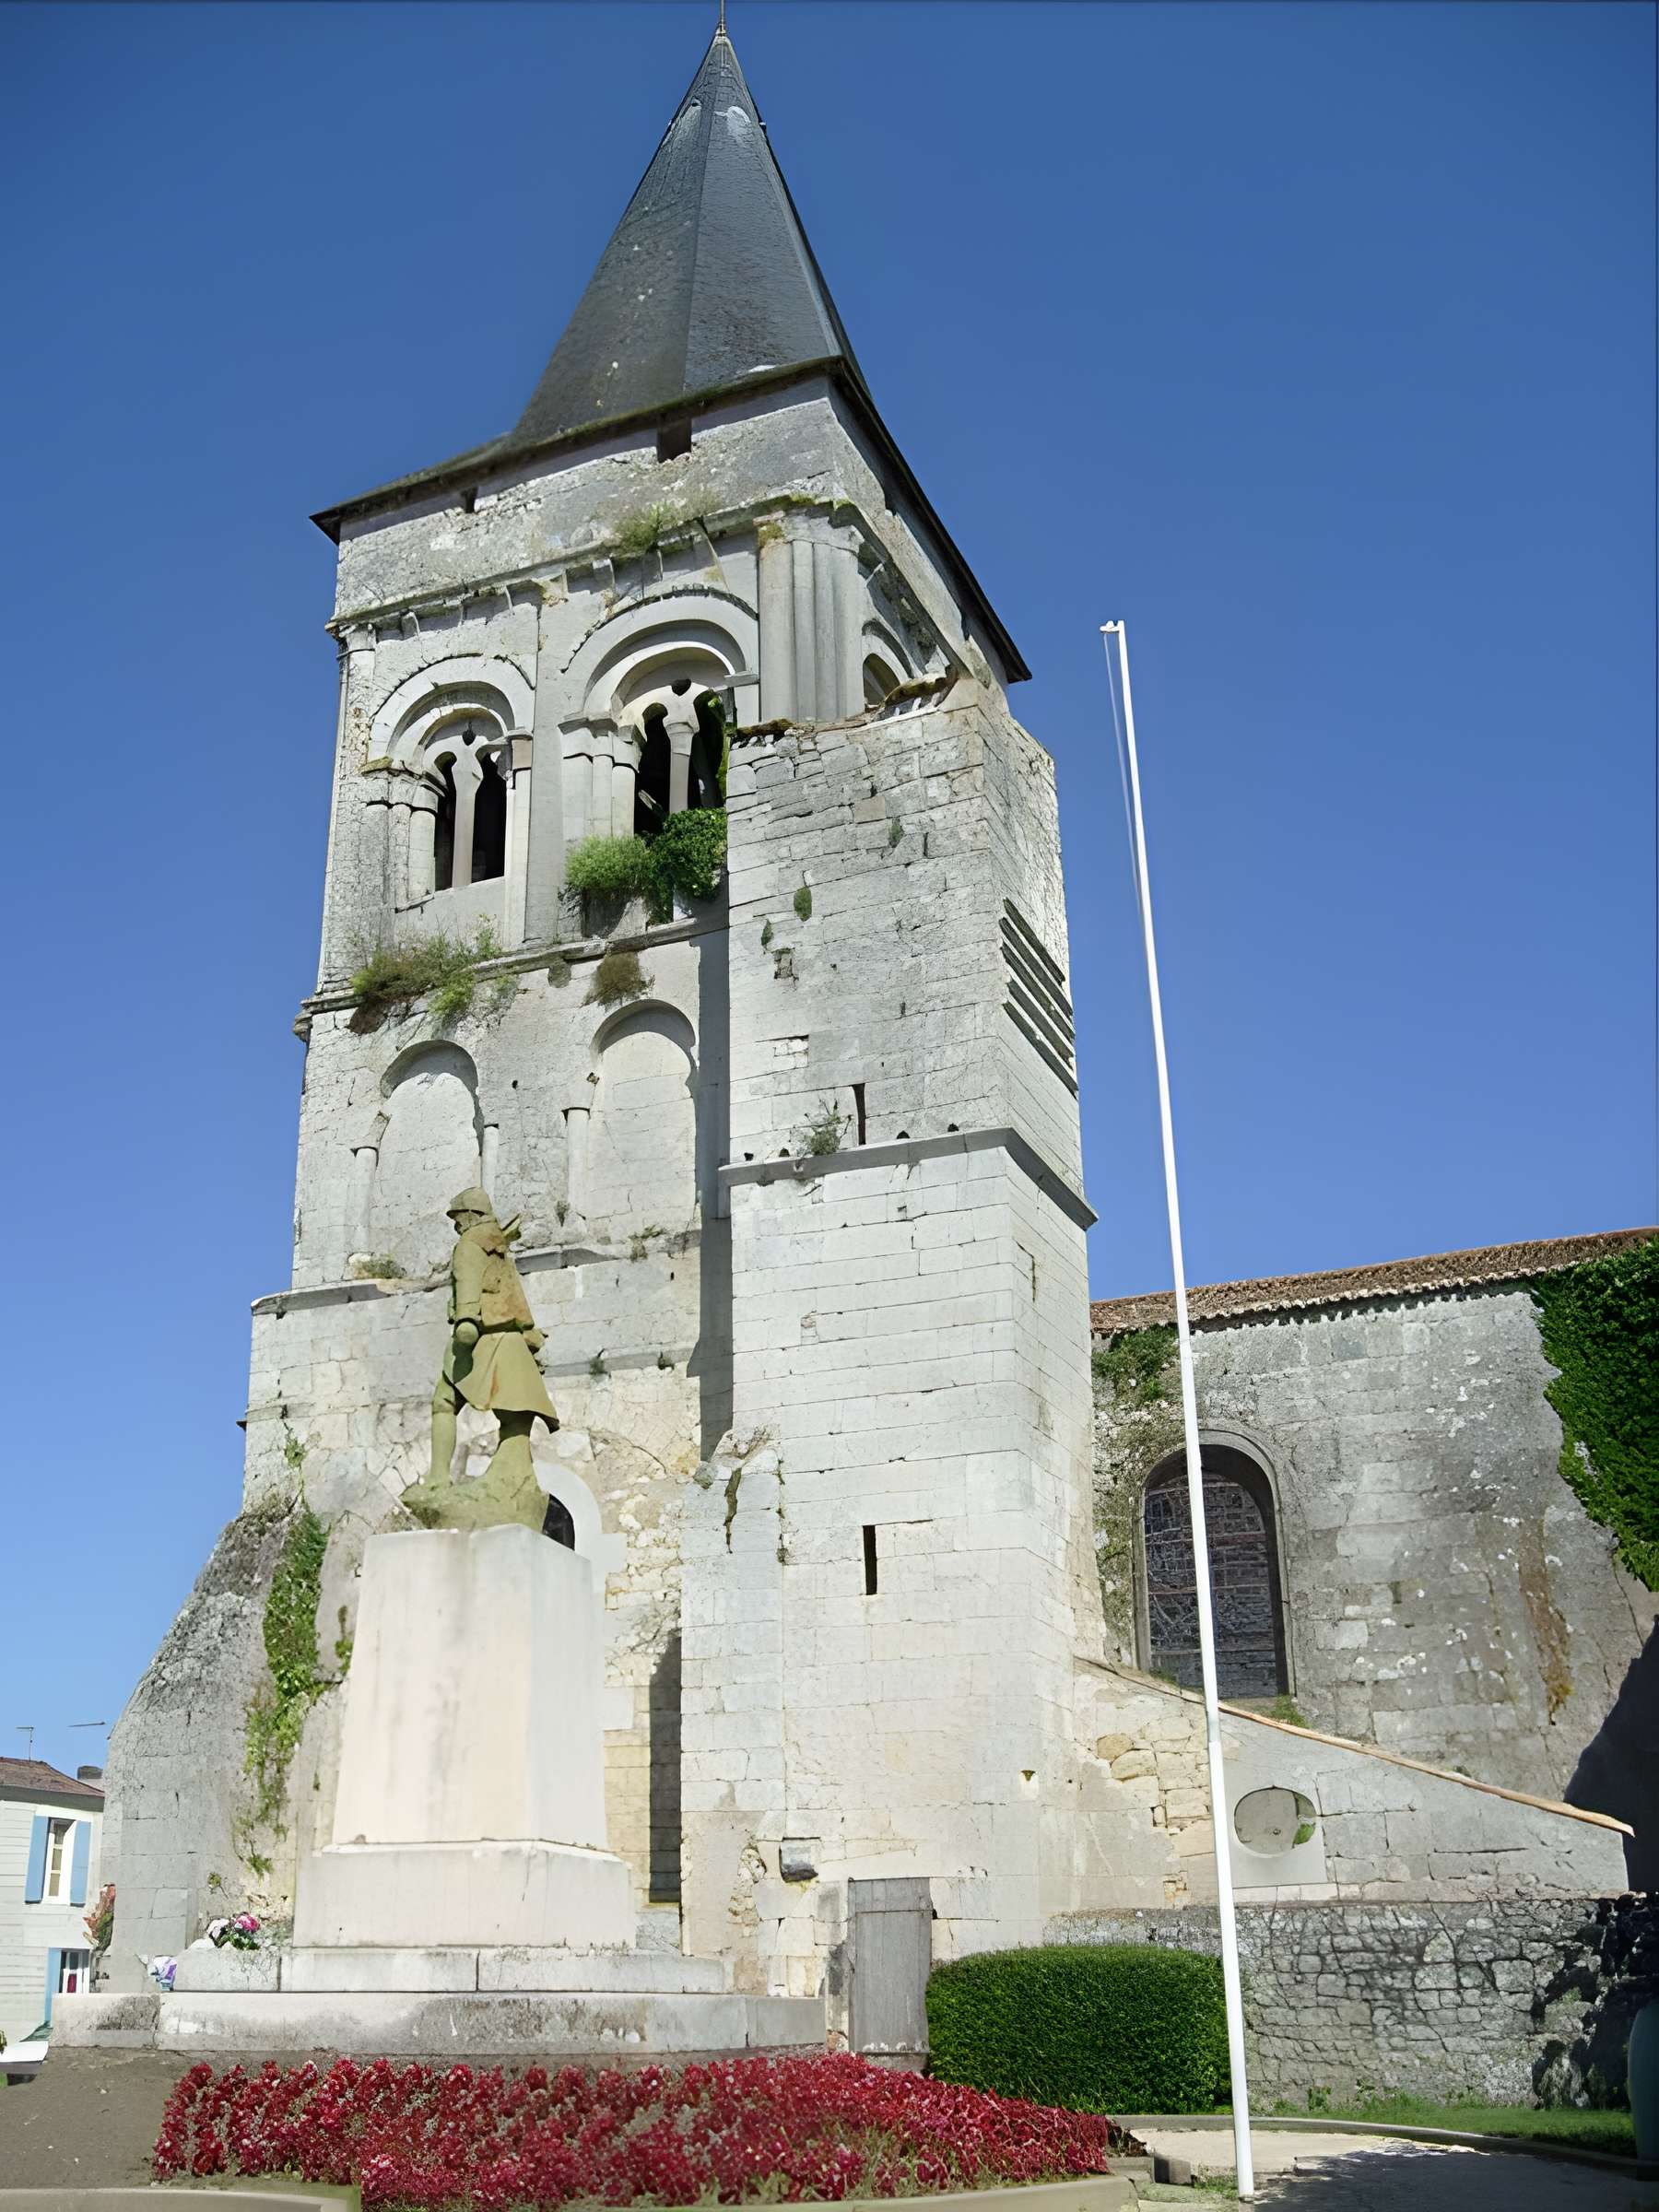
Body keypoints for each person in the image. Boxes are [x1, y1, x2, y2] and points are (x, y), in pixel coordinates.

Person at [401, 1187, 559, 1531]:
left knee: (444, 1401)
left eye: (457, 1219)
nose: (457, 1226)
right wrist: (530, 1336)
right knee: (514, 1415)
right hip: (512, 1340)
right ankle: (512, 1484)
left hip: (482, 1339)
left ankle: (439, 1478)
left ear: (469, 1216)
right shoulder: (498, 1246)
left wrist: (467, 1321)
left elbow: (468, 1282)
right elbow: (515, 1294)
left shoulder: (470, 1245)